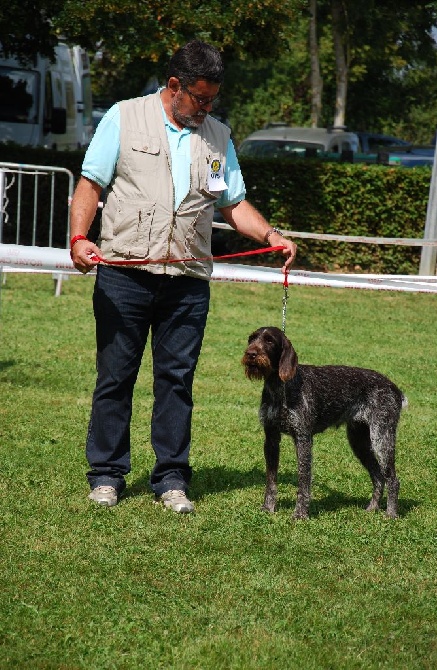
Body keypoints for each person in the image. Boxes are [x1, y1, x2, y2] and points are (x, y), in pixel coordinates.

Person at [70, 40, 297, 513]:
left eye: (213, 99)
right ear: (175, 86)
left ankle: (172, 479)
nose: (207, 107)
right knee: (116, 376)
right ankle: (107, 476)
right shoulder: (124, 116)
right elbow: (91, 182)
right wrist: (78, 239)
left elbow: (232, 203)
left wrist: (272, 234)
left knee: (176, 380)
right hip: (124, 274)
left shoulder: (218, 134)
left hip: (188, 281)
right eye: (200, 98)